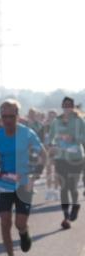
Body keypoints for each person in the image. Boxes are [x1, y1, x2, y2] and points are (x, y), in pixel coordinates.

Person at [0, 99, 46, 256]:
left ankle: (24, 233)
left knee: (20, 223)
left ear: (18, 116)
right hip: (4, 184)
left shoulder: (27, 133)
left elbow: (42, 155)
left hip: (24, 184)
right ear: (0, 118)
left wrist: (37, 173)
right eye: (4, 117)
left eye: (11, 116)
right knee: (5, 222)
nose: (8, 120)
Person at [48, 96, 85, 229]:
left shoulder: (79, 120)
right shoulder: (56, 121)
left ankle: (75, 205)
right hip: (60, 158)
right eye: (65, 105)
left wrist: (73, 137)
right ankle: (66, 217)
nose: (67, 107)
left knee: (72, 187)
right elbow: (50, 137)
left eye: (70, 105)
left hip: (76, 158)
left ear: (73, 107)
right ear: (62, 106)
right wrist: (51, 145)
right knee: (63, 188)